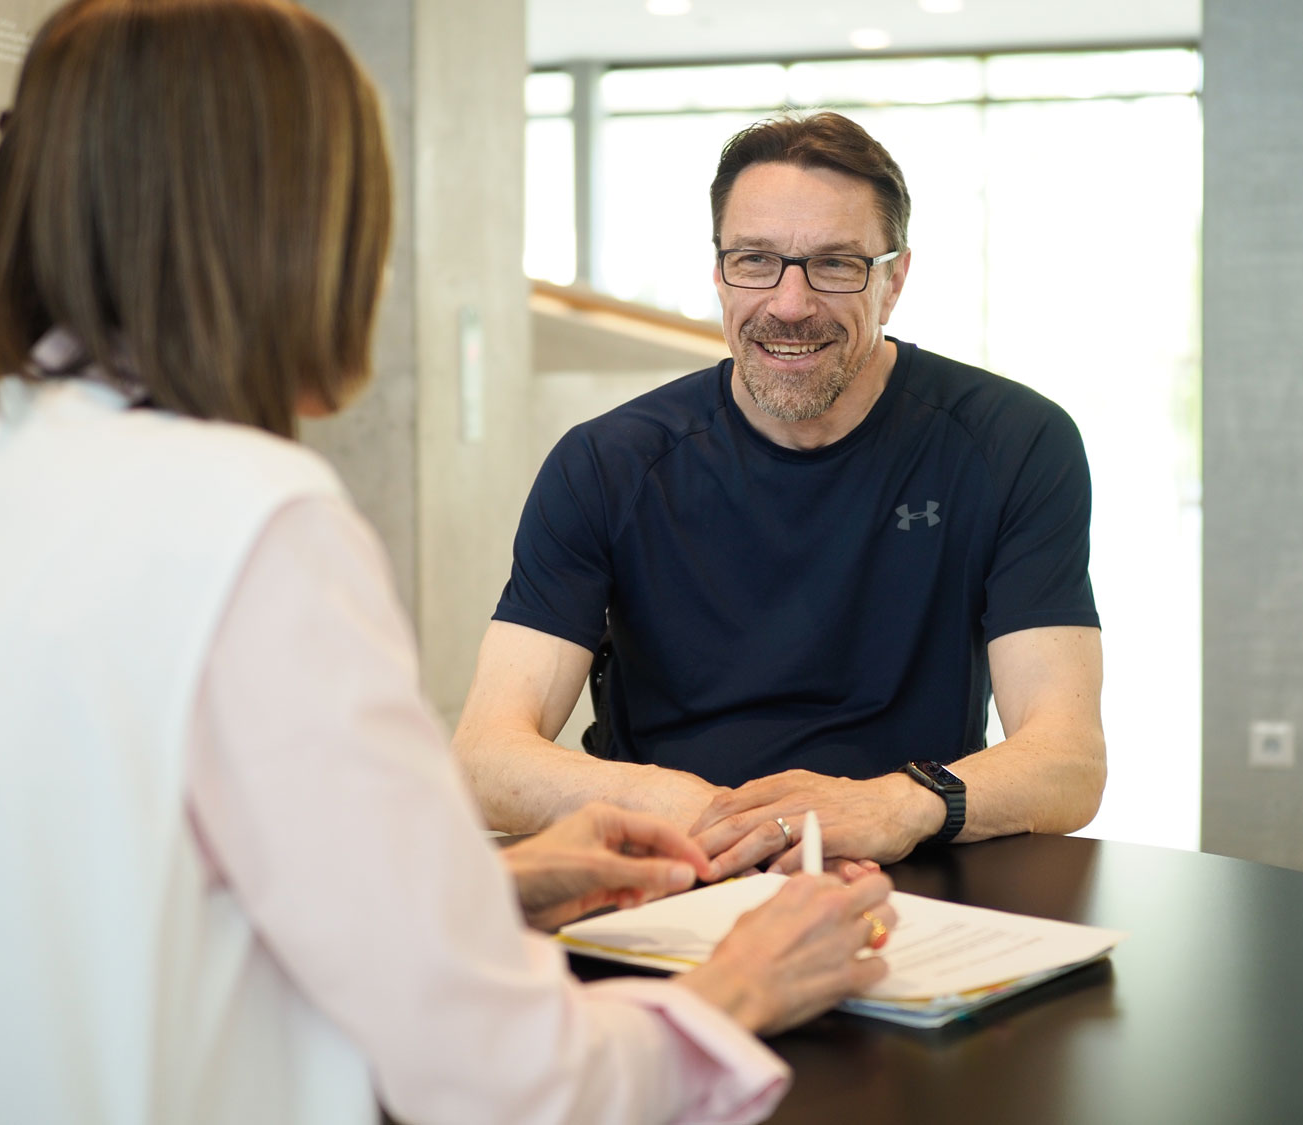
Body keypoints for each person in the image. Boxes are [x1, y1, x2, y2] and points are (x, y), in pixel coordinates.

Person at [0, 6, 898, 1124]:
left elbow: (124, 882)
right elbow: (497, 1077)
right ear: (298, 227)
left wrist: (486, 885)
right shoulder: (258, 524)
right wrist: (743, 985)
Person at [455, 111, 1106, 881]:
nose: (790, 305)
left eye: (835, 265)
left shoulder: (1014, 443)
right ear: (719, 269)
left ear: (894, 279)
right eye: (755, 260)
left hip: (906, 872)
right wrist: (710, 816)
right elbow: (486, 757)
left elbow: (1067, 759)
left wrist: (895, 805)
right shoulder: (606, 464)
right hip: (667, 869)